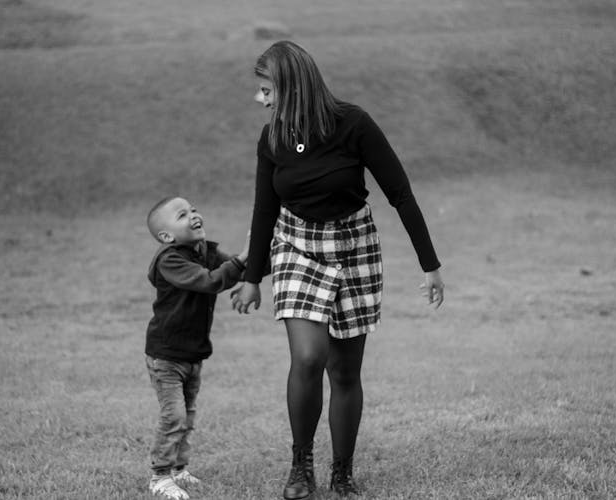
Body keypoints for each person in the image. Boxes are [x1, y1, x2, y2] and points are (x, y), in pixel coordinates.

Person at [230, 41, 445, 499]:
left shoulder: (354, 124)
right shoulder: (272, 139)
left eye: (266, 89)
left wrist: (430, 264)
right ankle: (300, 467)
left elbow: (400, 192)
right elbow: (263, 209)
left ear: (292, 86)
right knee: (308, 357)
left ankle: (342, 473)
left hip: (353, 246)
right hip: (295, 245)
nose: (260, 99)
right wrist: (253, 278)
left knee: (345, 372)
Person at [145, 196, 248, 500]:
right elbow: (209, 281)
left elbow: (236, 270)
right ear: (167, 236)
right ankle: (160, 476)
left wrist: (256, 256)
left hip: (193, 353)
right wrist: (241, 260)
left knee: (187, 416)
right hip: (165, 355)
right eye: (182, 215)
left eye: (193, 210)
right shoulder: (170, 260)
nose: (193, 215)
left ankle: (179, 469)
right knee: (173, 416)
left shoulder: (206, 251)